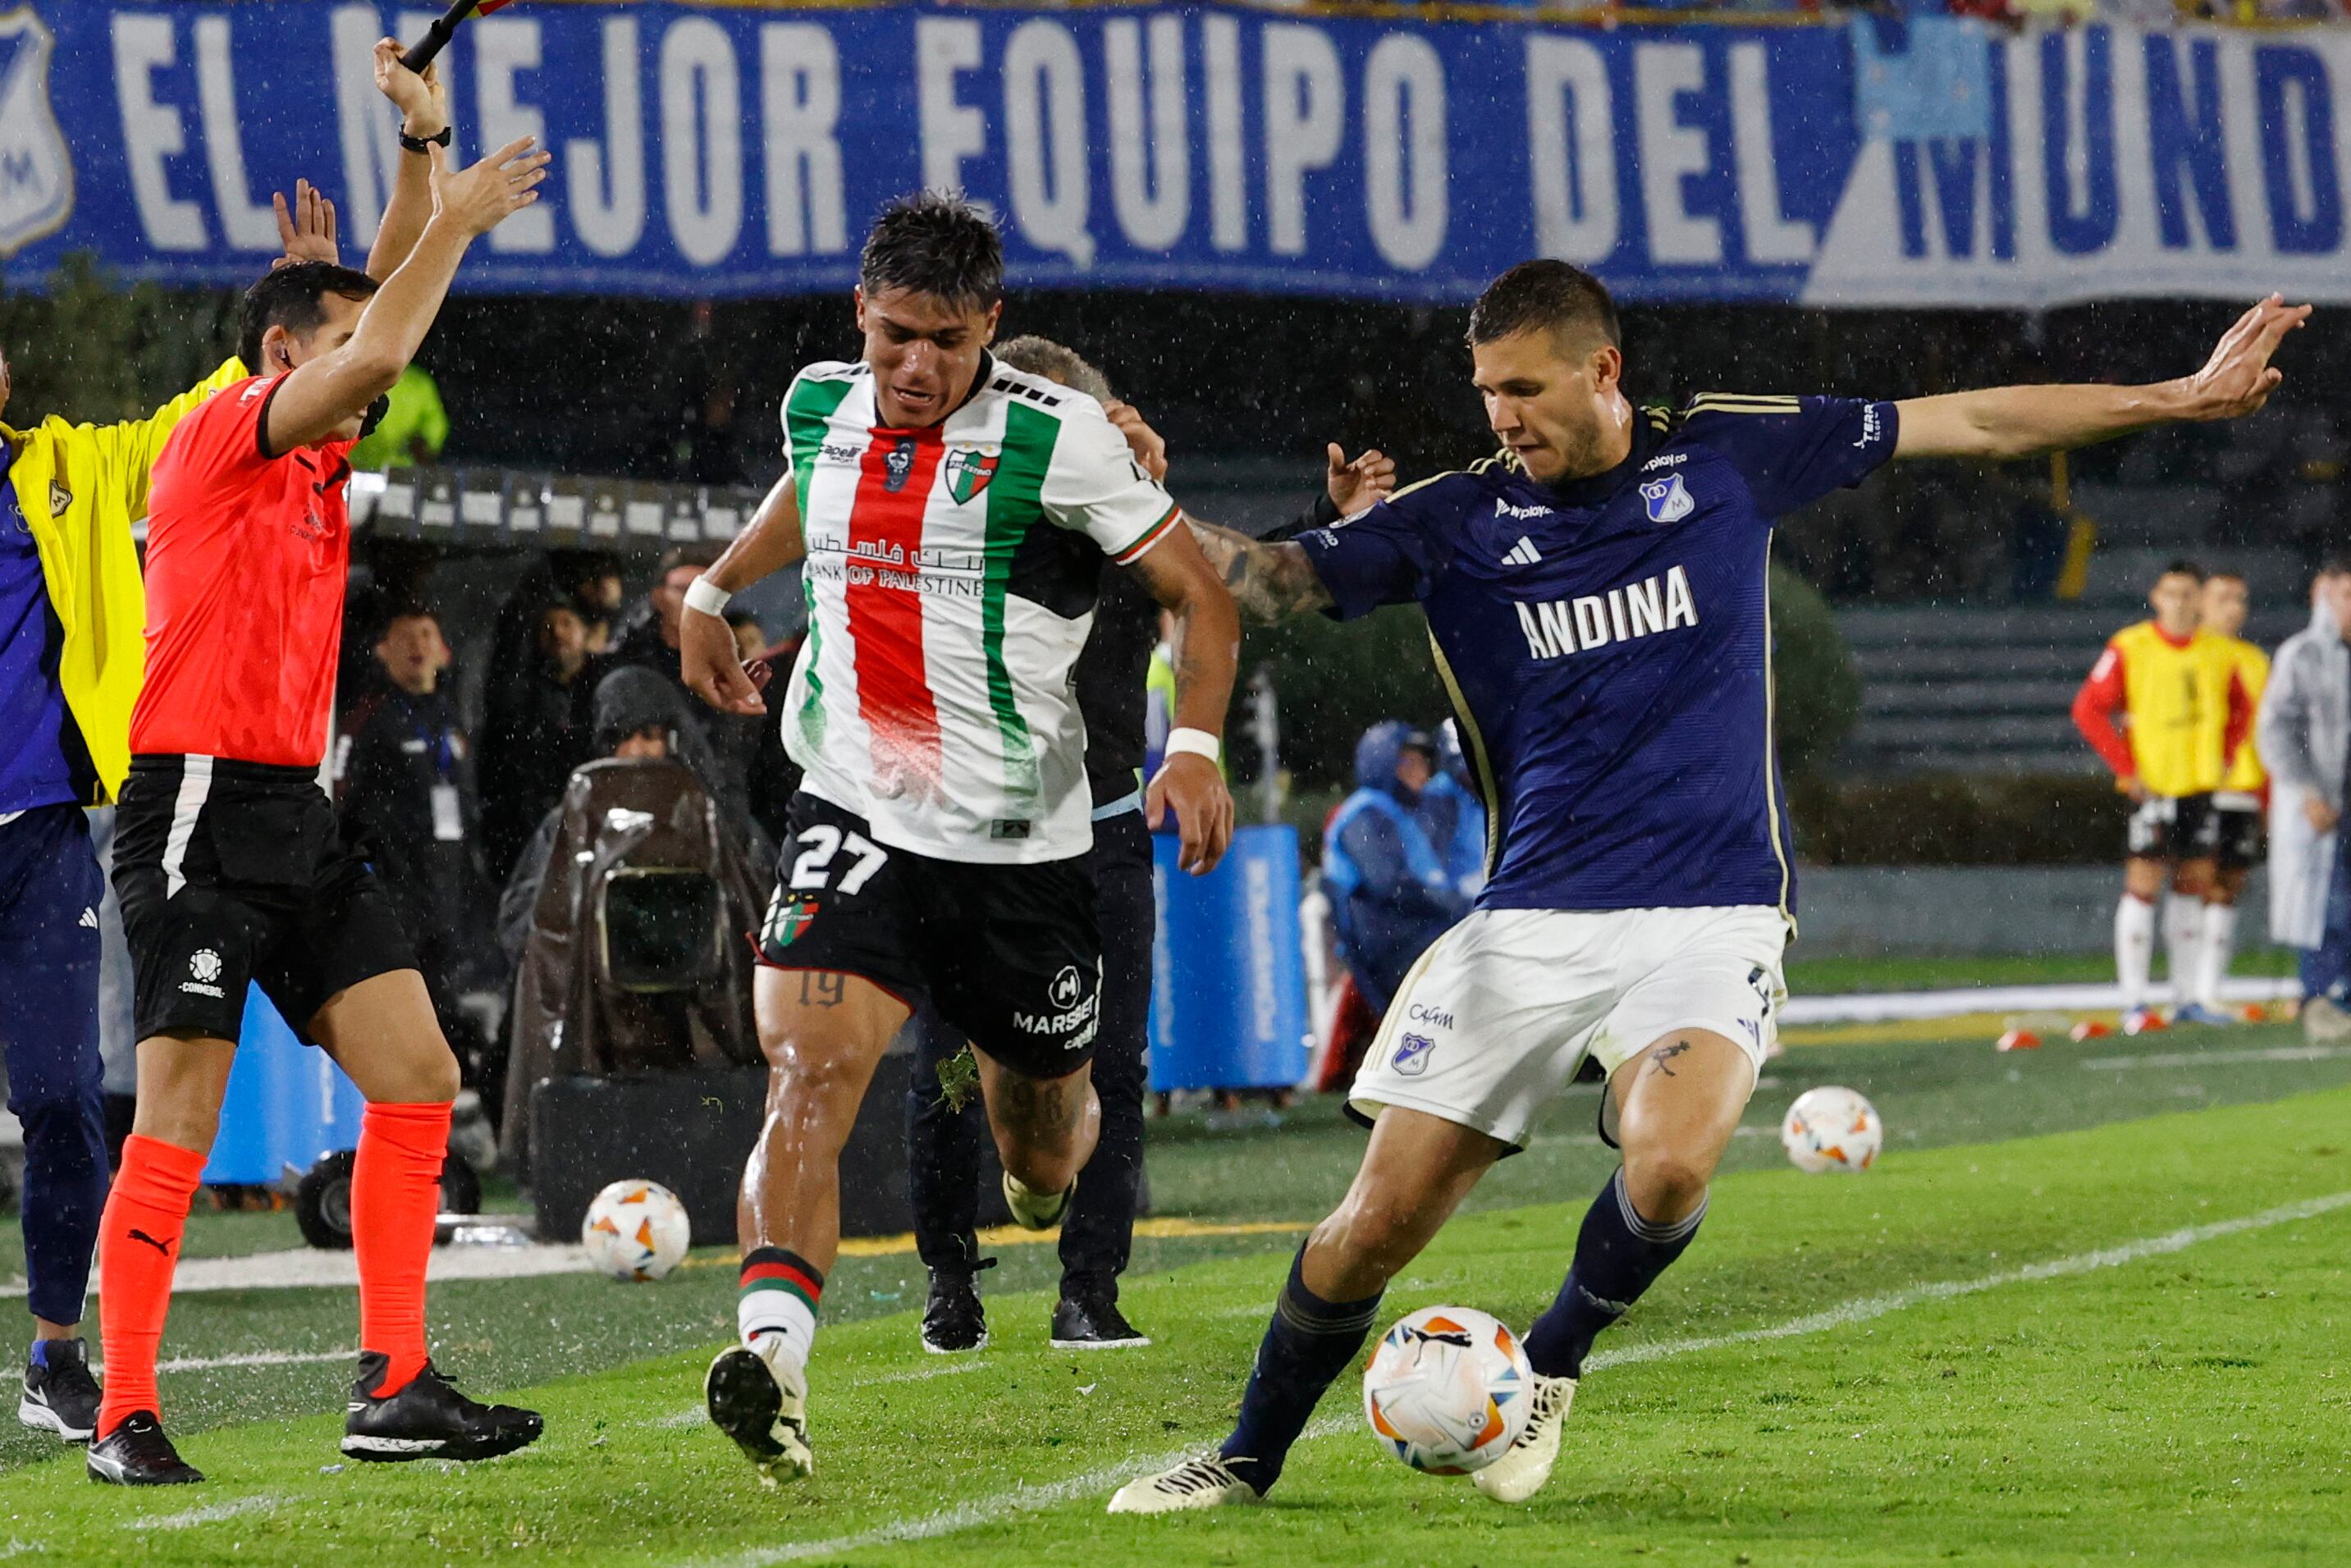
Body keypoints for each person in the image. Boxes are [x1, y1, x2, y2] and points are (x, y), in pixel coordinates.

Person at [1108, 265, 2309, 1513]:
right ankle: (1243, 1455)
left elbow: (1979, 418)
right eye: (1485, 393)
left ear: (1602, 370)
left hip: (1710, 908)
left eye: (1523, 388)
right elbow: (1263, 576)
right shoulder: (1452, 518)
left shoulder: (1731, 455)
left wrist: (2176, 395)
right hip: (1527, 921)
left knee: (1673, 1159)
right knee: (1375, 1222)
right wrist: (1132, 506)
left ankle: (1548, 1368)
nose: (1501, 417)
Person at [677, 193, 1241, 1486]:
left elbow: (1197, 594)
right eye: (892, 338)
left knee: (1043, 1142)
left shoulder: (1063, 440)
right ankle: (774, 1355)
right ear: (859, 320)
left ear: (991, 324)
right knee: (808, 1076)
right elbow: (803, 498)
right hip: (854, 807)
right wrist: (715, 585)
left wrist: (1195, 746)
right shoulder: (819, 403)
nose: (914, 366)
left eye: (942, 337)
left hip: (1022, 848)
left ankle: (1039, 1195)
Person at [92, 42, 551, 1486]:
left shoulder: (309, 453)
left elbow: (372, 315)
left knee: (417, 1076)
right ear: (285, 359)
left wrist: (425, 147)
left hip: (295, 807)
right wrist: (453, 229)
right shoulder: (226, 435)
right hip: (199, 807)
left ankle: (394, 1380)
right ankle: (121, 1417)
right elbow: (381, 342)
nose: (369, 388)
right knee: (179, 1116)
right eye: (333, 353)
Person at [903, 334, 1394, 1357]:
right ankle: (950, 1287)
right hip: (968, 836)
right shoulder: (947, 525)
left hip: (1100, 827)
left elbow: (1237, 581)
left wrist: (1325, 528)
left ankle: (1089, 1292)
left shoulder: (1121, 520)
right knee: (948, 1066)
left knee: (1114, 1064)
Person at [2070, 560, 2235, 1035]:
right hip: (2155, 786)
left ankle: (2186, 999)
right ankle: (2135, 1003)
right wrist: (2125, 767)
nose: (2181, 602)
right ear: (2155, 597)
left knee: (2192, 888)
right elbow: (2088, 708)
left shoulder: (2220, 651)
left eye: (2189, 594)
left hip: (2200, 785)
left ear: (2202, 600)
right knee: (2143, 887)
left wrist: (2223, 754)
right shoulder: (2130, 646)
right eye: (2172, 593)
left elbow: (2242, 708)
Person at [336, 606, 487, 1084]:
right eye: (404, 637)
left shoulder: (450, 716)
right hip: (395, 889)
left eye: (426, 634)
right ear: (382, 652)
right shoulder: (371, 718)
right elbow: (343, 800)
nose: (417, 646)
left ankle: (445, 1109)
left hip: (446, 887)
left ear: (443, 651)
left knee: (445, 995)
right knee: (403, 1002)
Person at [2257, 564, 2351, 1039]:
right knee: (2328, 906)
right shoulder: (2304, 653)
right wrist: (2308, 791)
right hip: (2329, 803)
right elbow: (2274, 730)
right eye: (2347, 595)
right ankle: (2318, 998)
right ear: (2328, 597)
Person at [1322, 723, 1468, 1020]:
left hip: (1417, 941)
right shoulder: (1364, 813)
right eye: (1407, 761)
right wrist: (1460, 907)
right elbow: (1389, 885)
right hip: (1392, 951)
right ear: (1383, 762)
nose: (1420, 771)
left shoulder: (1404, 812)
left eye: (1423, 762)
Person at [2182, 570, 2269, 1022]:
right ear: (2200, 603)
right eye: (2223, 598)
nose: (2234, 607)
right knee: (2192, 886)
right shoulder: (2188, 653)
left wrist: (2269, 797)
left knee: (2227, 889)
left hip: (2244, 791)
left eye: (2241, 598)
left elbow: (2267, 735)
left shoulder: (2255, 660)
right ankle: (2185, 992)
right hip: (2197, 789)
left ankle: (2208, 991)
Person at [478, 594, 597, 884]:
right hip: (531, 833)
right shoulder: (519, 698)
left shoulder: (602, 691)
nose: (557, 633)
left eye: (566, 623)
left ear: (586, 632)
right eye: (547, 627)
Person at [347, 362, 449, 471]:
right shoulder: (358, 376)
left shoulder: (419, 382)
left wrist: (425, 440)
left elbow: (436, 422)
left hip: (402, 472)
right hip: (354, 467)